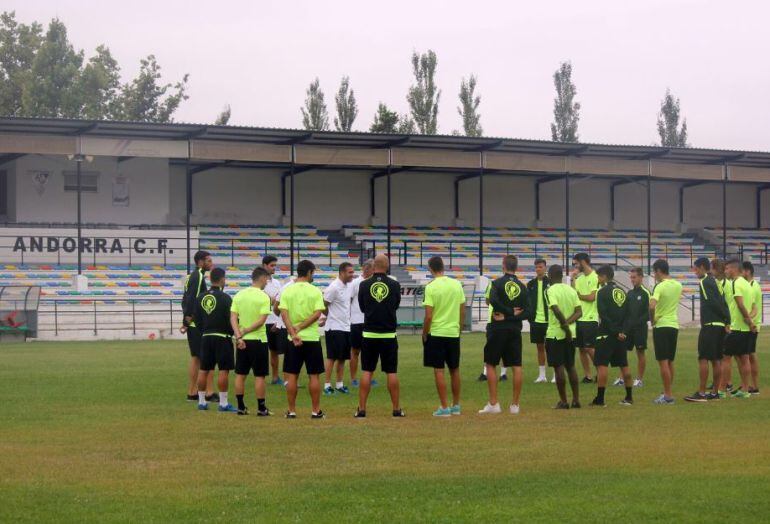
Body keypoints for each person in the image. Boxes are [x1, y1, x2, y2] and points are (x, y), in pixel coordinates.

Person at [478, 255, 529, 415]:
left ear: (503, 266)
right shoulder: (523, 286)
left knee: (491, 363)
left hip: (498, 327)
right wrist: (512, 316)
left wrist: (506, 314)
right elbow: (529, 312)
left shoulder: (496, 283)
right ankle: (515, 405)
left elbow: (492, 300)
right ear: (516, 267)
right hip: (514, 329)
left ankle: (494, 403)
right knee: (516, 366)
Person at [355, 254, 404, 418]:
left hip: (369, 334)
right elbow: (396, 305)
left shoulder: (364, 285)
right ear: (387, 265)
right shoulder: (395, 284)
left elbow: (362, 308)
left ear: (374, 266)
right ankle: (396, 409)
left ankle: (361, 409)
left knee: (367, 371)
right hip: (389, 334)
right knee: (391, 371)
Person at [278, 259, 326, 419]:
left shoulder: (288, 291)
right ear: (309, 272)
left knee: (292, 375)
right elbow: (317, 314)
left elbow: (283, 314)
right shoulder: (315, 291)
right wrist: (301, 327)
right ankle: (315, 410)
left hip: (293, 339)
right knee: (314, 375)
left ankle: (291, 411)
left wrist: (293, 332)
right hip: (311, 338)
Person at [422, 256, 466, 417]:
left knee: (439, 370)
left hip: (437, 332)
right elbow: (463, 310)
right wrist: (459, 328)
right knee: (454, 369)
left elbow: (428, 316)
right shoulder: (456, 284)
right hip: (453, 332)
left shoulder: (431, 287)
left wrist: (424, 332)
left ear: (430, 268)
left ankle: (444, 406)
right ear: (443, 267)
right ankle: (456, 405)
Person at [685, 258, 730, 403]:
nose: (695, 271)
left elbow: (712, 302)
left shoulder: (704, 281)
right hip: (720, 325)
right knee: (716, 359)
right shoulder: (716, 281)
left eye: (696, 268)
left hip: (710, 325)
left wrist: (722, 316)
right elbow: (724, 302)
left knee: (703, 358)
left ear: (703, 268)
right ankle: (715, 392)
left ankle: (702, 393)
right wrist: (726, 320)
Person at [230, 267, 273, 416]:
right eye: (267, 278)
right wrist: (246, 331)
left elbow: (233, 317)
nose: (267, 281)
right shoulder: (263, 297)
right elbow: (261, 321)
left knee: (240, 374)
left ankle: (241, 407)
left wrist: (239, 336)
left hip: (243, 341)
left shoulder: (239, 295)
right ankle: (261, 408)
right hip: (258, 340)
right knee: (259, 375)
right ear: (262, 278)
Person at [194, 267, 237, 413]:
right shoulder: (225, 298)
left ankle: (201, 402)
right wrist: (232, 333)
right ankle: (223, 404)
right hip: (222, 338)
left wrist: (204, 331)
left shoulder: (200, 297)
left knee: (204, 369)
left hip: (206, 337)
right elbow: (231, 319)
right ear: (222, 279)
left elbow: (197, 320)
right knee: (223, 370)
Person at [591, 265, 633, 407]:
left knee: (602, 365)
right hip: (621, 336)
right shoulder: (622, 292)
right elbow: (628, 315)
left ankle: (600, 399)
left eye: (598, 276)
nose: (597, 279)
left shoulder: (602, 292)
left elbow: (603, 315)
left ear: (603, 277)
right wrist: (623, 332)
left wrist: (614, 331)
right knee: (624, 365)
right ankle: (629, 397)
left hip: (606, 334)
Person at [544, 264, 582, 409]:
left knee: (558, 367)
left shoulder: (550, 290)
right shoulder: (571, 290)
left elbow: (555, 309)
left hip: (555, 334)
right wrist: (569, 324)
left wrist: (564, 325)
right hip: (571, 335)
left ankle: (564, 401)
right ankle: (576, 400)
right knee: (571, 366)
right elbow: (579, 312)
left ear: (550, 276)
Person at [180, 250, 215, 402]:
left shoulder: (191, 276)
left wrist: (186, 321)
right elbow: (193, 300)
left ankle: (192, 391)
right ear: (200, 262)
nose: (211, 263)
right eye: (208, 261)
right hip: (197, 324)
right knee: (206, 357)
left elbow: (185, 299)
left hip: (192, 323)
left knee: (196, 358)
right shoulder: (199, 276)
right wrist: (188, 321)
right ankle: (208, 392)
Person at [649, 259, 683, 405]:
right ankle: (668, 391)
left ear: (658, 271)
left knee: (662, 362)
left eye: (654, 272)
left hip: (661, 325)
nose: (654, 275)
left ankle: (668, 395)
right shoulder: (678, 285)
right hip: (674, 325)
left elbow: (651, 306)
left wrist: (652, 320)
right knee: (670, 361)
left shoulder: (659, 286)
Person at [721, 259, 755, 399]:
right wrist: (750, 322)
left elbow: (740, 305)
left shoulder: (736, 283)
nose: (725, 271)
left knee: (726, 358)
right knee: (744, 358)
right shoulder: (747, 284)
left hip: (736, 327)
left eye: (727, 268)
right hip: (745, 329)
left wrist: (747, 320)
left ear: (734, 269)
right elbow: (754, 307)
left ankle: (721, 390)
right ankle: (745, 389)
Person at [322, 262, 355, 395]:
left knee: (342, 358)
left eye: (353, 272)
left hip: (346, 327)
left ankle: (340, 384)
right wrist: (329, 316)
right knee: (332, 357)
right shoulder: (333, 287)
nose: (352, 275)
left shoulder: (349, 286)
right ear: (341, 273)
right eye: (350, 272)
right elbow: (323, 304)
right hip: (334, 327)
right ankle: (327, 385)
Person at [614, 267, 649, 387]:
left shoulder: (646, 293)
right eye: (631, 277)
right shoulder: (630, 293)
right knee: (623, 352)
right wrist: (623, 328)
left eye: (634, 277)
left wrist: (638, 323)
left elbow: (648, 313)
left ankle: (639, 379)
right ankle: (622, 377)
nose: (632, 280)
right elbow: (626, 313)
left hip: (640, 329)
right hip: (628, 330)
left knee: (640, 352)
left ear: (640, 277)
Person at [571, 253, 598, 383]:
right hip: (580, 318)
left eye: (576, 263)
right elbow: (573, 295)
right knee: (581, 349)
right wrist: (573, 278)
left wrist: (579, 296)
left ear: (583, 262)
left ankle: (600, 370)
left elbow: (592, 297)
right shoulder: (580, 278)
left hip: (591, 318)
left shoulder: (595, 277)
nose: (575, 266)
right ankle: (588, 375)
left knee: (589, 348)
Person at [349, 259, 375, 387]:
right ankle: (353, 379)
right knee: (355, 351)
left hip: (370, 321)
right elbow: (348, 300)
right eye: (368, 268)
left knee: (370, 351)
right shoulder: (355, 283)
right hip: (356, 321)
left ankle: (370, 377)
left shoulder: (374, 283)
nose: (368, 270)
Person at [478, 280, 509, 383]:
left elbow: (488, 300)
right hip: (503, 320)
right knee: (502, 348)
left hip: (494, 321)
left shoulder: (493, 283)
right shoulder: (508, 284)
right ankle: (503, 374)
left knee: (490, 348)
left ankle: (487, 373)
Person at [527, 258, 552, 383]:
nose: (538, 269)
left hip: (550, 321)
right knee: (540, 347)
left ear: (545, 268)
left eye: (541, 267)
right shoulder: (531, 284)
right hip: (536, 321)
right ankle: (542, 375)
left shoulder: (551, 283)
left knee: (551, 347)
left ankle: (555, 375)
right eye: (536, 267)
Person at [262, 255, 285, 386]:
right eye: (271, 265)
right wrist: (271, 300)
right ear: (264, 265)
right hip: (263, 321)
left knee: (275, 351)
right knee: (263, 351)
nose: (274, 268)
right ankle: (261, 376)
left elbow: (278, 301)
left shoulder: (277, 283)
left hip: (275, 320)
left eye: (275, 265)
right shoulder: (259, 283)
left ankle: (275, 377)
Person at [743, 261, 762, 395]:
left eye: (742, 270)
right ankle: (750, 384)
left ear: (748, 271)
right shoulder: (749, 285)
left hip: (752, 326)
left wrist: (749, 320)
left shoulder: (754, 286)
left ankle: (754, 386)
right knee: (748, 355)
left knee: (750, 355)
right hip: (751, 325)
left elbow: (754, 308)